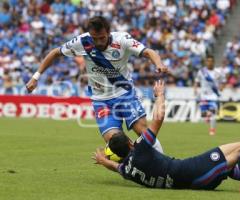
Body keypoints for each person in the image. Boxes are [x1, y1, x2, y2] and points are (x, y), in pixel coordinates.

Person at [93, 80, 240, 194]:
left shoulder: (127, 169)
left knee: (228, 166)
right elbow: (158, 118)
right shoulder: (141, 148)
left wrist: (103, 161)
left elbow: (115, 167)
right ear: (129, 142)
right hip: (189, 171)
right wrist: (159, 95)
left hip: (191, 182)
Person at [26, 16, 167, 152]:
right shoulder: (82, 42)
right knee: (115, 143)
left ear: (108, 32)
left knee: (142, 130)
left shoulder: (122, 40)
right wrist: (35, 77)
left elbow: (148, 52)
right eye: (95, 38)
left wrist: (159, 63)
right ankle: (135, 166)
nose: (98, 42)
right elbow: (55, 53)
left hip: (124, 93)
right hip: (101, 100)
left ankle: (162, 166)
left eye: (102, 38)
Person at [194, 55, 223, 136]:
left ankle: (212, 130)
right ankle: (208, 115)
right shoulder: (202, 72)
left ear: (213, 62)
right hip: (203, 96)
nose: (209, 63)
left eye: (211, 61)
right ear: (206, 62)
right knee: (203, 114)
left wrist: (221, 88)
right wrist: (195, 89)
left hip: (213, 96)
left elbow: (223, 81)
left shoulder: (218, 72)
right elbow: (196, 81)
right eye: (208, 61)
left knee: (213, 114)